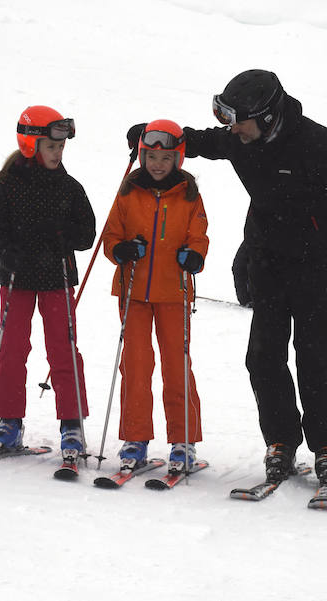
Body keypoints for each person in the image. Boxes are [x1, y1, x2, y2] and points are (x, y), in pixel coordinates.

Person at [129, 70, 327, 488]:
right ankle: (281, 443)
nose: (231, 129)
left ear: (267, 117)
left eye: (238, 120)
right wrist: (160, 136)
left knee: (315, 358)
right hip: (267, 262)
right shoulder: (240, 140)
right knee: (264, 358)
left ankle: (326, 447)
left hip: (318, 263)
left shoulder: (316, 143)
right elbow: (200, 141)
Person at [0, 105, 95, 465]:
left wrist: (63, 235)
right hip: (17, 277)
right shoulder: (9, 186)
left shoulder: (69, 187)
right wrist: (5, 251)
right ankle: (9, 422)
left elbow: (87, 233)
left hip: (55, 278)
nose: (58, 153)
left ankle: (71, 424)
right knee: (13, 348)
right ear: (31, 145)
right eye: (51, 147)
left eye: (61, 148)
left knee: (63, 349)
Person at [103, 119, 209, 474]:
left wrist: (194, 255)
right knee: (135, 364)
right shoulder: (129, 190)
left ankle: (184, 440)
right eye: (151, 156)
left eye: (165, 158)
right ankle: (136, 438)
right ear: (142, 156)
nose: (158, 164)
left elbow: (200, 237)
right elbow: (111, 236)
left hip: (173, 291)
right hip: (133, 292)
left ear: (177, 158)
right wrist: (122, 250)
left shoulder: (189, 195)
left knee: (176, 365)